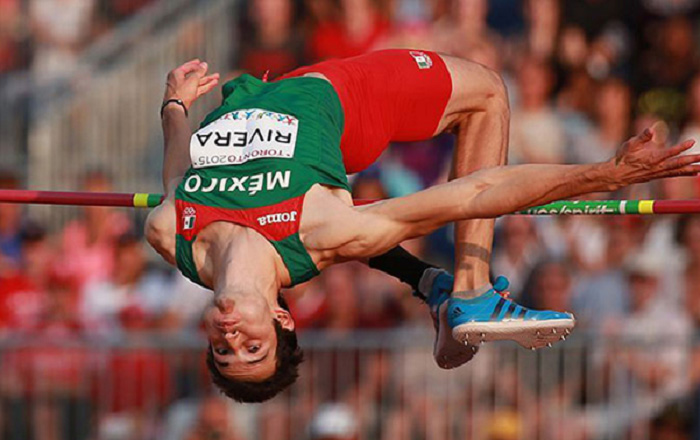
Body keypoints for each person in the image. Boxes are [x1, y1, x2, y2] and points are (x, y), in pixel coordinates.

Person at [144, 50, 700, 403]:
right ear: (283, 319)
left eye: (224, 353)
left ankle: (441, 290)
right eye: (252, 349)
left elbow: (175, 175)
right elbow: (474, 194)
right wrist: (605, 173)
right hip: (336, 96)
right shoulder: (325, 231)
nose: (233, 341)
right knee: (486, 91)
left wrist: (174, 104)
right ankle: (471, 290)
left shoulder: (171, 233)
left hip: (245, 94)